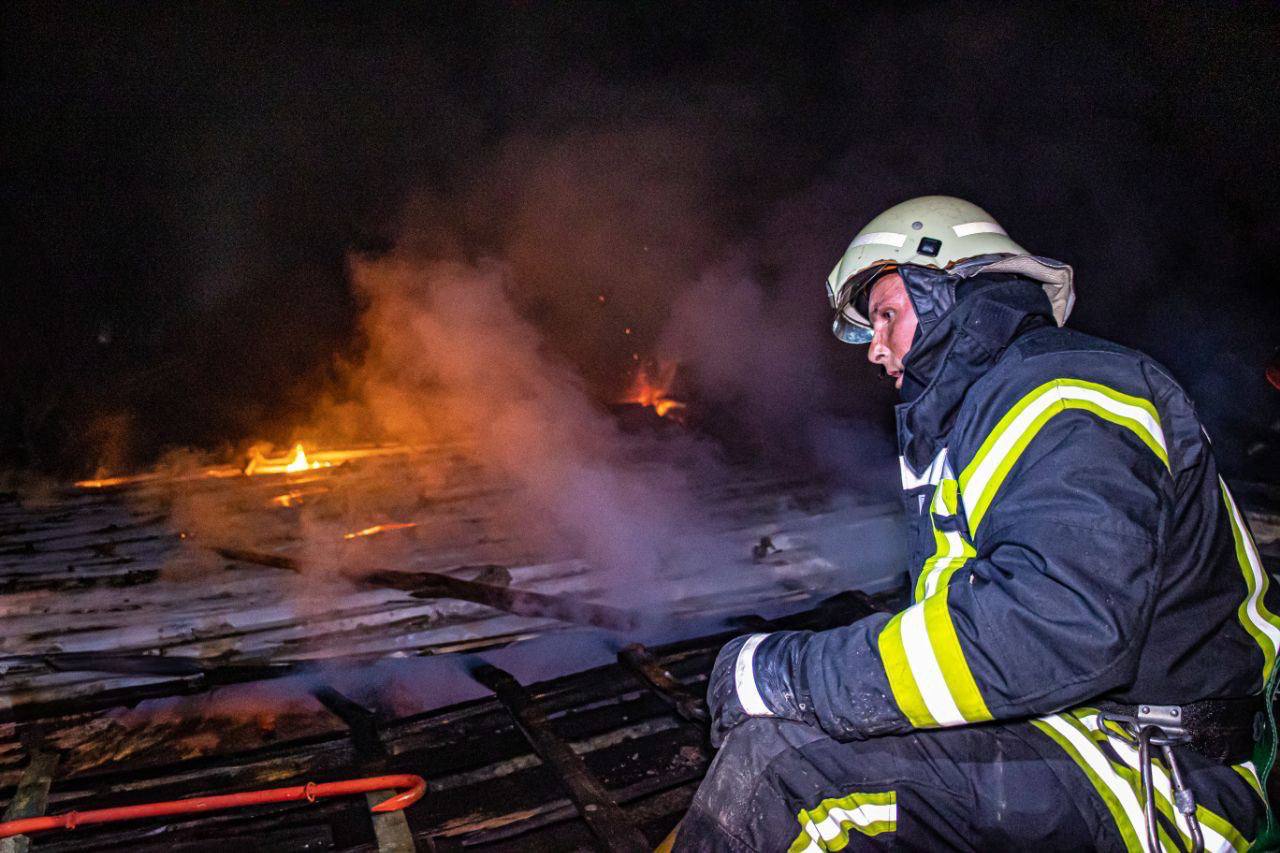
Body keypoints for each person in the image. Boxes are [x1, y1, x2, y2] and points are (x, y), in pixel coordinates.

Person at [672, 196, 1278, 851]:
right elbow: (959, 638)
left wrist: (789, 675)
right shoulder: (987, 413)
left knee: (786, 773)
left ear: (943, 287)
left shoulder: (1066, 390)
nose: (875, 351)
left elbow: (1056, 627)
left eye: (886, 316)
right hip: (1074, 725)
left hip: (1161, 769)